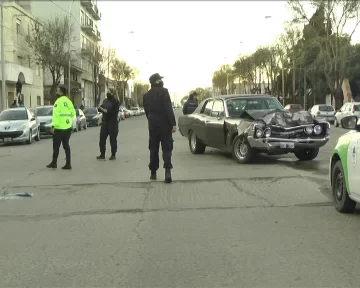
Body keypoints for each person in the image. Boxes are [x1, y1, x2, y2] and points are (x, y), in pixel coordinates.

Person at [143, 73, 176, 183]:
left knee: (153, 147)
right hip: (164, 123)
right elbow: (168, 108)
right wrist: (173, 123)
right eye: (160, 79)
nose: (162, 81)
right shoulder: (164, 92)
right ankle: (167, 172)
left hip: (152, 123)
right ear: (157, 81)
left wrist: (151, 119)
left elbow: (146, 111)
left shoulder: (146, 95)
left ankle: (153, 173)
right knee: (166, 147)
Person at [46, 86, 75, 170]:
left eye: (58, 91)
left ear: (61, 92)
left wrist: (53, 126)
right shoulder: (69, 101)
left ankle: (54, 163)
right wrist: (68, 120)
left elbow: (55, 115)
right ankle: (68, 163)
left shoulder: (57, 102)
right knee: (66, 146)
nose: (56, 93)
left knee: (56, 146)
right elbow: (73, 113)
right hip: (67, 127)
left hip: (59, 128)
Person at [96, 91, 120, 160]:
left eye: (110, 91)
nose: (108, 93)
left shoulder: (116, 101)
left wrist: (105, 111)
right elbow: (100, 108)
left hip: (113, 123)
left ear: (113, 93)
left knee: (113, 139)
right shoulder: (105, 101)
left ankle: (113, 154)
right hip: (105, 122)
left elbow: (114, 112)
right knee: (102, 139)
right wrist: (102, 109)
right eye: (108, 91)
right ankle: (102, 154)